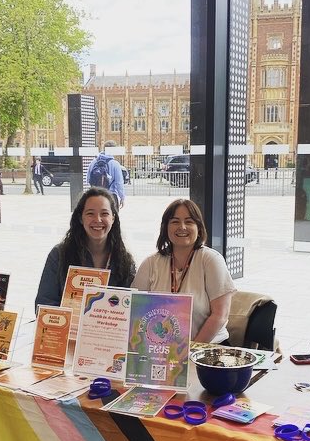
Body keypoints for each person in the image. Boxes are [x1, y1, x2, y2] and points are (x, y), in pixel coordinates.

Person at [132, 199, 236, 344]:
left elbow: (220, 315)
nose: (182, 227)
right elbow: (134, 310)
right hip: (161, 350)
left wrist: (189, 351)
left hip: (207, 348)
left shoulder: (211, 260)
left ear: (199, 228)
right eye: (175, 221)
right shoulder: (150, 263)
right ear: (165, 227)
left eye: (189, 222)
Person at [35, 187, 136, 309]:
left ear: (113, 218)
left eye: (104, 213)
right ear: (80, 218)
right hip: (68, 327)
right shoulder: (59, 255)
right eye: (90, 214)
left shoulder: (125, 261)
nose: (97, 220)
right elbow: (44, 304)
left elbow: (129, 307)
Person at [87, 141, 126, 209]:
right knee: (111, 218)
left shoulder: (93, 162)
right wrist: (122, 197)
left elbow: (88, 179)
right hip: (111, 195)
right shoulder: (115, 164)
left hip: (96, 195)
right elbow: (119, 183)